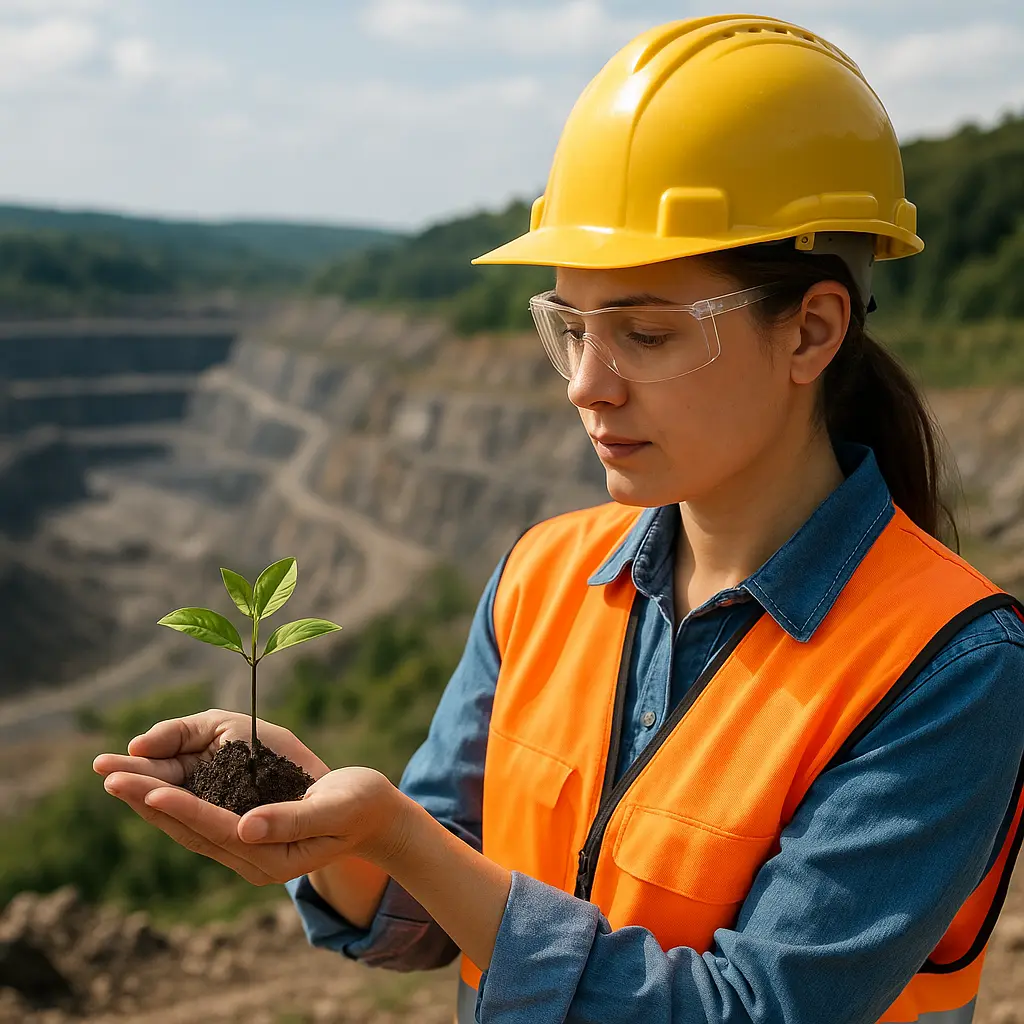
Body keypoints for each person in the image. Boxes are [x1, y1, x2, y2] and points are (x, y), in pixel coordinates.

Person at [93, 14, 1024, 1024]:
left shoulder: (947, 667)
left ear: (809, 330)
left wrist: (399, 834)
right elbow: (434, 909)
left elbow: (752, 1009)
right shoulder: (545, 576)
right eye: (569, 326)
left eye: (645, 333)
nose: (587, 386)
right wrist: (337, 830)